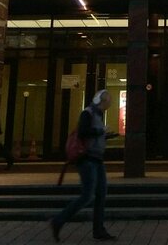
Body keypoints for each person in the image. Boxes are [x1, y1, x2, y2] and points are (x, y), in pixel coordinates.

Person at [51, 89, 118, 241]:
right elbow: (83, 132)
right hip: (87, 159)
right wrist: (101, 131)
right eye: (108, 101)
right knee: (87, 195)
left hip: (97, 159)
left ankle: (99, 230)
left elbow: (92, 135)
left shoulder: (98, 115)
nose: (109, 104)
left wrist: (105, 135)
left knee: (101, 194)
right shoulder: (88, 113)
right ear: (101, 101)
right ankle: (58, 220)